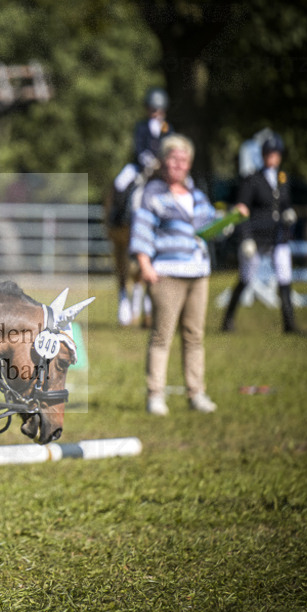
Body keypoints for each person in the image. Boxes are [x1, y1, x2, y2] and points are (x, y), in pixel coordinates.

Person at [129, 134, 218, 416]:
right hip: (166, 274)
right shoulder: (153, 193)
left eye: (184, 159)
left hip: (198, 273)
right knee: (161, 336)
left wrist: (232, 217)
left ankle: (197, 393)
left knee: (194, 337)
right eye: (174, 158)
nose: (179, 164)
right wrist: (145, 264)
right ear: (163, 161)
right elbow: (142, 228)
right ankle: (155, 395)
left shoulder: (196, 194)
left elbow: (211, 226)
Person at [221, 133, 303, 334]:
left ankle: (289, 324)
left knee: (284, 277)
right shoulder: (252, 180)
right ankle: (228, 320)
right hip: (257, 236)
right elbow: (242, 210)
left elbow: (284, 203)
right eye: (268, 154)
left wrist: (288, 212)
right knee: (246, 277)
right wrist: (246, 238)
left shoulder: (282, 178)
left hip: (278, 236)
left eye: (275, 154)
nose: (272, 157)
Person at [106, 87, 174, 326]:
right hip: (140, 167)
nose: (155, 112)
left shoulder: (168, 129)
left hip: (160, 170)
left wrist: (162, 163)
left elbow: (172, 149)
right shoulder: (141, 127)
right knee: (120, 183)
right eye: (152, 109)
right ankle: (116, 216)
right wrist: (146, 159)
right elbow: (138, 148)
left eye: (158, 109)